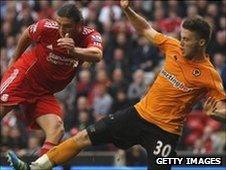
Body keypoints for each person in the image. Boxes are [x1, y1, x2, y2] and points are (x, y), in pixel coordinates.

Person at [7, 0, 226, 170]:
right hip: (137, 115)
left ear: (201, 42)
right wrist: (128, 10)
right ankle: (36, 167)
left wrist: (216, 115)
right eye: (182, 36)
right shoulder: (173, 47)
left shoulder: (209, 75)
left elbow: (222, 110)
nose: (182, 41)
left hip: (165, 132)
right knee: (82, 137)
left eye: (187, 39)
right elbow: (146, 30)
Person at [1, 3, 103, 157]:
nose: (62, 30)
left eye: (67, 26)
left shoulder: (90, 35)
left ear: (79, 25)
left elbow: (97, 55)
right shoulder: (46, 27)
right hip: (25, 76)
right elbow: (28, 34)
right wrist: (15, 58)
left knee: (57, 129)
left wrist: (74, 50)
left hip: (44, 92)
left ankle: (38, 167)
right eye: (59, 24)